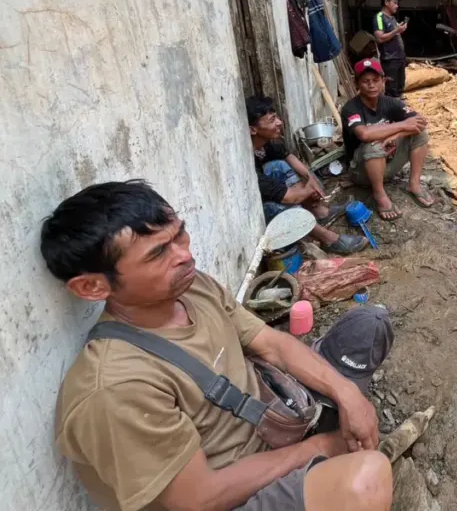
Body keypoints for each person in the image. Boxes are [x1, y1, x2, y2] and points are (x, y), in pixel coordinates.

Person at [42, 180, 393, 511]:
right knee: (366, 479)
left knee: (369, 325)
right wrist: (318, 448)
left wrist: (348, 394)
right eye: (158, 253)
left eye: (180, 235)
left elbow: (273, 344)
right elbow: (199, 498)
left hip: (276, 421)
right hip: (230, 495)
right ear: (91, 288)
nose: (184, 255)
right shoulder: (115, 388)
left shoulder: (192, 288)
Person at [247, 96, 368, 254]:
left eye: (276, 117)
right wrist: (308, 191)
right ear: (252, 129)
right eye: (271, 120)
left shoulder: (266, 144)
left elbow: (290, 158)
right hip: (259, 213)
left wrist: (310, 179)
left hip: (274, 193)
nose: (279, 123)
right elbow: (291, 198)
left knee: (279, 166)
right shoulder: (248, 165)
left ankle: (319, 212)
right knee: (279, 207)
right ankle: (328, 240)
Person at [341, 58, 434, 221]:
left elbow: (420, 121)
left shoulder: (390, 102)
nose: (371, 85)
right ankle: (379, 195)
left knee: (420, 134)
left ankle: (414, 184)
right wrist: (403, 125)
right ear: (357, 84)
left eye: (376, 80)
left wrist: (396, 135)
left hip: (387, 165)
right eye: (366, 81)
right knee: (373, 145)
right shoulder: (351, 108)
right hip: (361, 172)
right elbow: (364, 134)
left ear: (383, 81)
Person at [372, 0, 408, 98]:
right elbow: (379, 38)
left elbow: (394, 34)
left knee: (400, 88)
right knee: (391, 90)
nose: (397, 6)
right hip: (390, 59)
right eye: (395, 3)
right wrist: (396, 31)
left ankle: (400, 109)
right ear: (386, 2)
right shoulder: (379, 17)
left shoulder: (392, 18)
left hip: (400, 58)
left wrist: (399, 29)